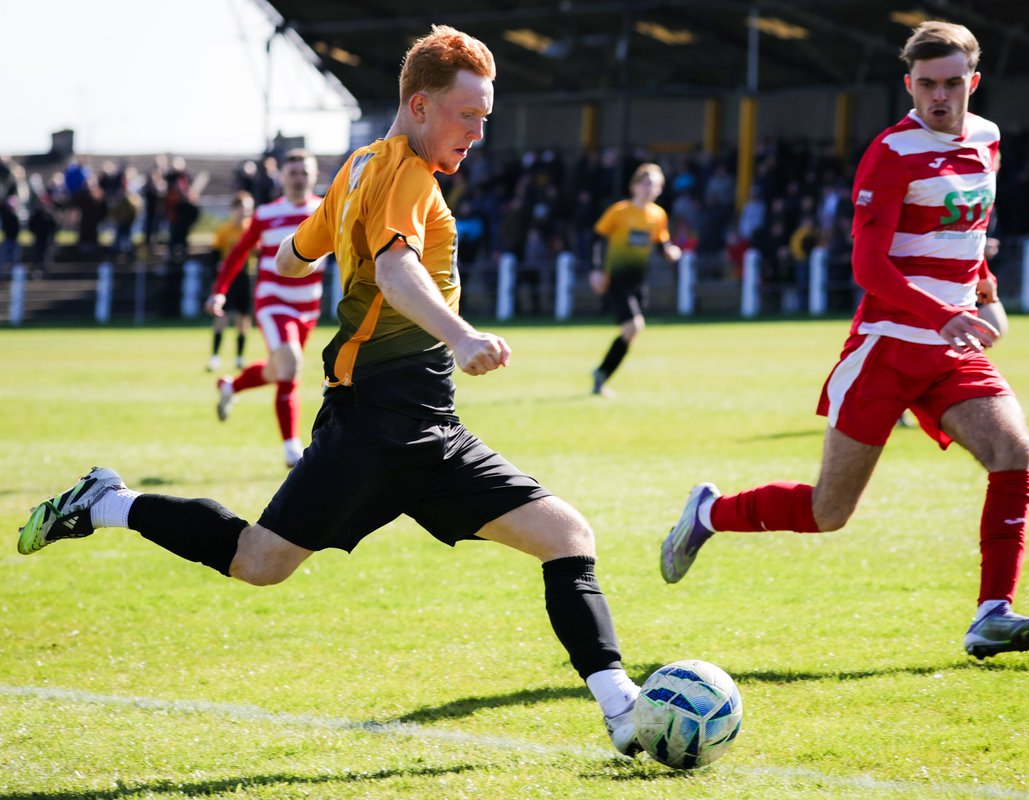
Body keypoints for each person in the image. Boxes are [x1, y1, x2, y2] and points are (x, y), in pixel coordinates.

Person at [19, 25, 643, 757]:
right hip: (375, 426)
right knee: (258, 562)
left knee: (566, 537)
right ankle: (107, 503)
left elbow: (291, 254)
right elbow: (396, 270)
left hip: (426, 425)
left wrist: (305, 257)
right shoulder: (407, 175)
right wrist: (462, 335)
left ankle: (623, 709)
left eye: (485, 117)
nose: (478, 132)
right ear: (419, 105)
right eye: (468, 115)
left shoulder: (354, 172)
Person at [660, 21, 1029, 661]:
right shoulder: (891, 153)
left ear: (972, 83)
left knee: (1013, 450)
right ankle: (710, 512)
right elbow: (870, 268)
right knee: (829, 512)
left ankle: (992, 613)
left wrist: (984, 289)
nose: (939, 96)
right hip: (889, 347)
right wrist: (942, 313)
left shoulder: (987, 140)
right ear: (909, 84)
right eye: (927, 84)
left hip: (951, 348)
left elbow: (969, 233)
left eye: (952, 83)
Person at [205, 150, 323, 468]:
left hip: (308, 307)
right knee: (292, 365)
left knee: (278, 370)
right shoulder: (267, 214)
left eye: (304, 172)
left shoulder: (326, 210)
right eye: (292, 172)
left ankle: (231, 386)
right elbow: (238, 253)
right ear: (282, 177)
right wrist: (219, 293)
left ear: (314, 176)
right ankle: (291, 449)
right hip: (273, 301)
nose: (298, 178)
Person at [589, 162, 681, 396]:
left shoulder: (657, 215)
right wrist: (597, 269)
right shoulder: (619, 211)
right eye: (647, 183)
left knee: (632, 332)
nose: (651, 188)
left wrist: (670, 251)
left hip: (639, 280)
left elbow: (661, 243)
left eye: (656, 185)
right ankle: (601, 374)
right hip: (617, 278)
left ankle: (601, 373)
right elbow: (598, 239)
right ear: (635, 186)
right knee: (634, 326)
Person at [206, 192, 256, 372]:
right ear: (234, 210)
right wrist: (216, 279)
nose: (245, 213)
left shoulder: (253, 229)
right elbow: (215, 254)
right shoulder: (224, 230)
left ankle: (239, 358)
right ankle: (215, 356)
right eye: (242, 209)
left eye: (248, 209)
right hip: (229, 278)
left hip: (246, 276)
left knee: (244, 318)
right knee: (222, 317)